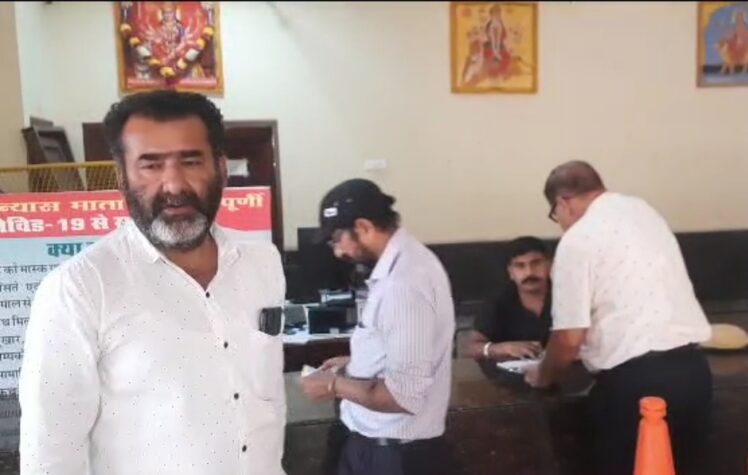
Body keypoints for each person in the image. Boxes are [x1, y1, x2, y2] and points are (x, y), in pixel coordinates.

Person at [19, 90, 287, 475]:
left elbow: (267, 404)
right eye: (150, 165)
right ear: (121, 177)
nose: (173, 185)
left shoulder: (262, 263)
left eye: (190, 162)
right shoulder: (79, 288)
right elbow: (50, 453)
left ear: (221, 169)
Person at [524, 160, 713, 475]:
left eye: (555, 215)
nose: (560, 224)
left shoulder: (578, 239)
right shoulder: (644, 212)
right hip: (693, 374)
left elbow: (569, 339)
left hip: (636, 386)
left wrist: (542, 374)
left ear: (563, 203)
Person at [300, 179, 456, 475]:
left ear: (363, 227)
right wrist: (356, 364)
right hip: (379, 446)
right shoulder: (405, 261)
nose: (337, 252)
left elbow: (404, 395)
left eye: (337, 239)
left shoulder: (403, 284)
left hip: (392, 455)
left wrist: (333, 385)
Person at [468, 236, 552, 361]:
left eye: (536, 263)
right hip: (512, 371)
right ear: (510, 272)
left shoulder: (568, 295)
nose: (529, 272)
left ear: (549, 265)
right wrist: (503, 348)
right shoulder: (498, 302)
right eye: (520, 266)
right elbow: (472, 348)